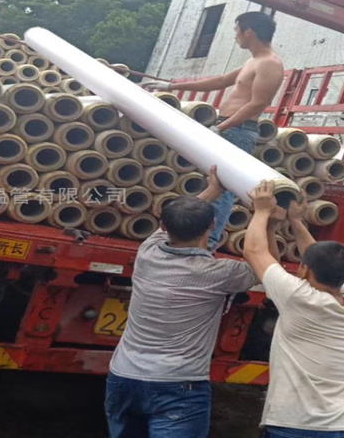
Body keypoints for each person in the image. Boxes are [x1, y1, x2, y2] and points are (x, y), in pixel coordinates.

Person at [105, 166, 282, 438]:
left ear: (164, 227)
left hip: (123, 378)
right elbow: (270, 268)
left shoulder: (148, 252)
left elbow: (175, 220)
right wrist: (265, 218)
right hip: (177, 386)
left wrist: (212, 190)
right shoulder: (219, 273)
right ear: (212, 226)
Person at [142, 12, 285, 251]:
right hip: (229, 128)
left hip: (238, 131)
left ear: (248, 31)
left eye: (236, 30)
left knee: (222, 190)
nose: (235, 36)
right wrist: (171, 86)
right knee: (213, 186)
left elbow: (258, 103)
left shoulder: (270, 63)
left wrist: (222, 127)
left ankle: (207, 244)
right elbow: (219, 81)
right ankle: (197, 239)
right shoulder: (253, 61)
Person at [243, 182, 344, 438]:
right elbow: (319, 258)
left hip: (298, 426)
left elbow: (254, 251)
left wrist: (261, 211)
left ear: (304, 269)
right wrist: (295, 220)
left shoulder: (298, 297)